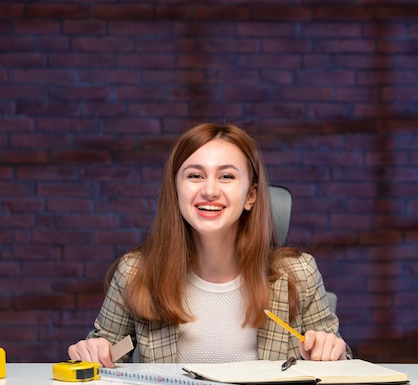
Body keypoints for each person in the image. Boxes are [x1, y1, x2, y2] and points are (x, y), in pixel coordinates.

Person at [68, 122, 351, 367]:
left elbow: (344, 365)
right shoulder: (137, 272)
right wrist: (91, 353)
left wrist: (332, 355)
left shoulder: (298, 272)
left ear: (251, 196)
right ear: (175, 189)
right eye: (195, 175)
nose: (210, 190)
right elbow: (97, 361)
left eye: (226, 176)